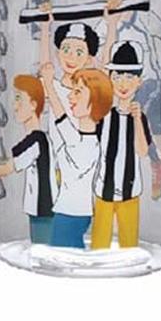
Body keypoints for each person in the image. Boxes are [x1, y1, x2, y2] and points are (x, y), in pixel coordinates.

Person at [98, 0, 161, 195]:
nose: (115, 4)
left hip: (150, 83)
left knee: (156, 130)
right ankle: (157, 160)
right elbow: (103, 60)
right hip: (124, 89)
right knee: (137, 129)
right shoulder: (105, 25)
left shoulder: (143, 17)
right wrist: (111, 25)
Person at [39, 63, 112, 249]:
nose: (70, 96)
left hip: (71, 214)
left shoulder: (82, 144)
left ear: (95, 100)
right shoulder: (87, 141)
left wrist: (49, 84)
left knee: (63, 251)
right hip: (74, 212)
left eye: (78, 92)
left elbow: (60, 116)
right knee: (70, 249)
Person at [90, 41, 152, 249]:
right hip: (104, 188)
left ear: (138, 81)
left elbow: (142, 151)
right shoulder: (104, 116)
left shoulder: (139, 117)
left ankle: (130, 255)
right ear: (110, 79)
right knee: (99, 239)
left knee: (129, 240)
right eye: (117, 77)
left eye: (129, 78)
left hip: (130, 189)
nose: (123, 84)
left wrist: (137, 119)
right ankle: (97, 259)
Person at [0, 74, 57, 244]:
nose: (14, 106)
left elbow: (8, 168)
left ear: (33, 105)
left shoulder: (36, 140)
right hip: (44, 208)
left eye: (19, 99)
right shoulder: (41, 138)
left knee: (42, 247)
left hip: (42, 208)